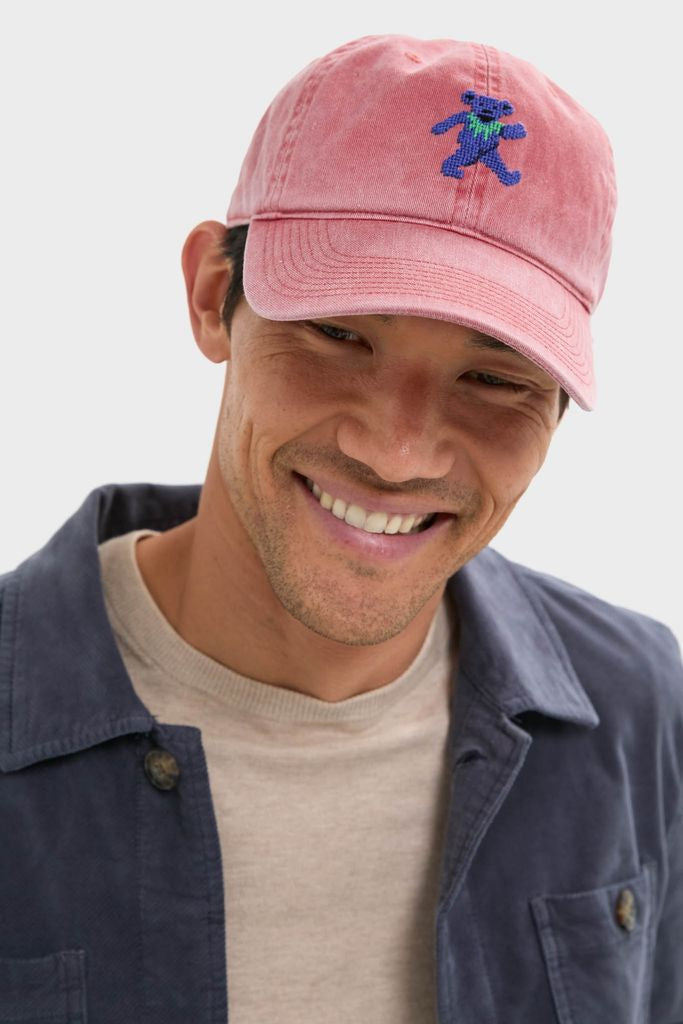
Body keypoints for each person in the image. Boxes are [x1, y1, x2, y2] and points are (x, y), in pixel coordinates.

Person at [0, 32, 680, 1024]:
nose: (398, 450)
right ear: (208, 294)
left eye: (492, 379)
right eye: (337, 333)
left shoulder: (635, 709)